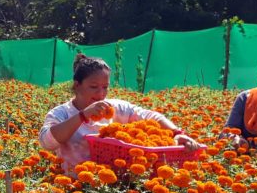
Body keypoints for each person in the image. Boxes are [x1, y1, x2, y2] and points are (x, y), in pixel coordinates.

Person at [39, 54, 199, 172]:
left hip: (114, 188)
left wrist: (177, 133)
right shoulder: (62, 113)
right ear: (77, 85)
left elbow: (152, 116)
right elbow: (47, 142)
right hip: (74, 187)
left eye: (105, 87)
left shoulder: (116, 107)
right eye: (94, 87)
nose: (101, 94)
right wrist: (82, 115)